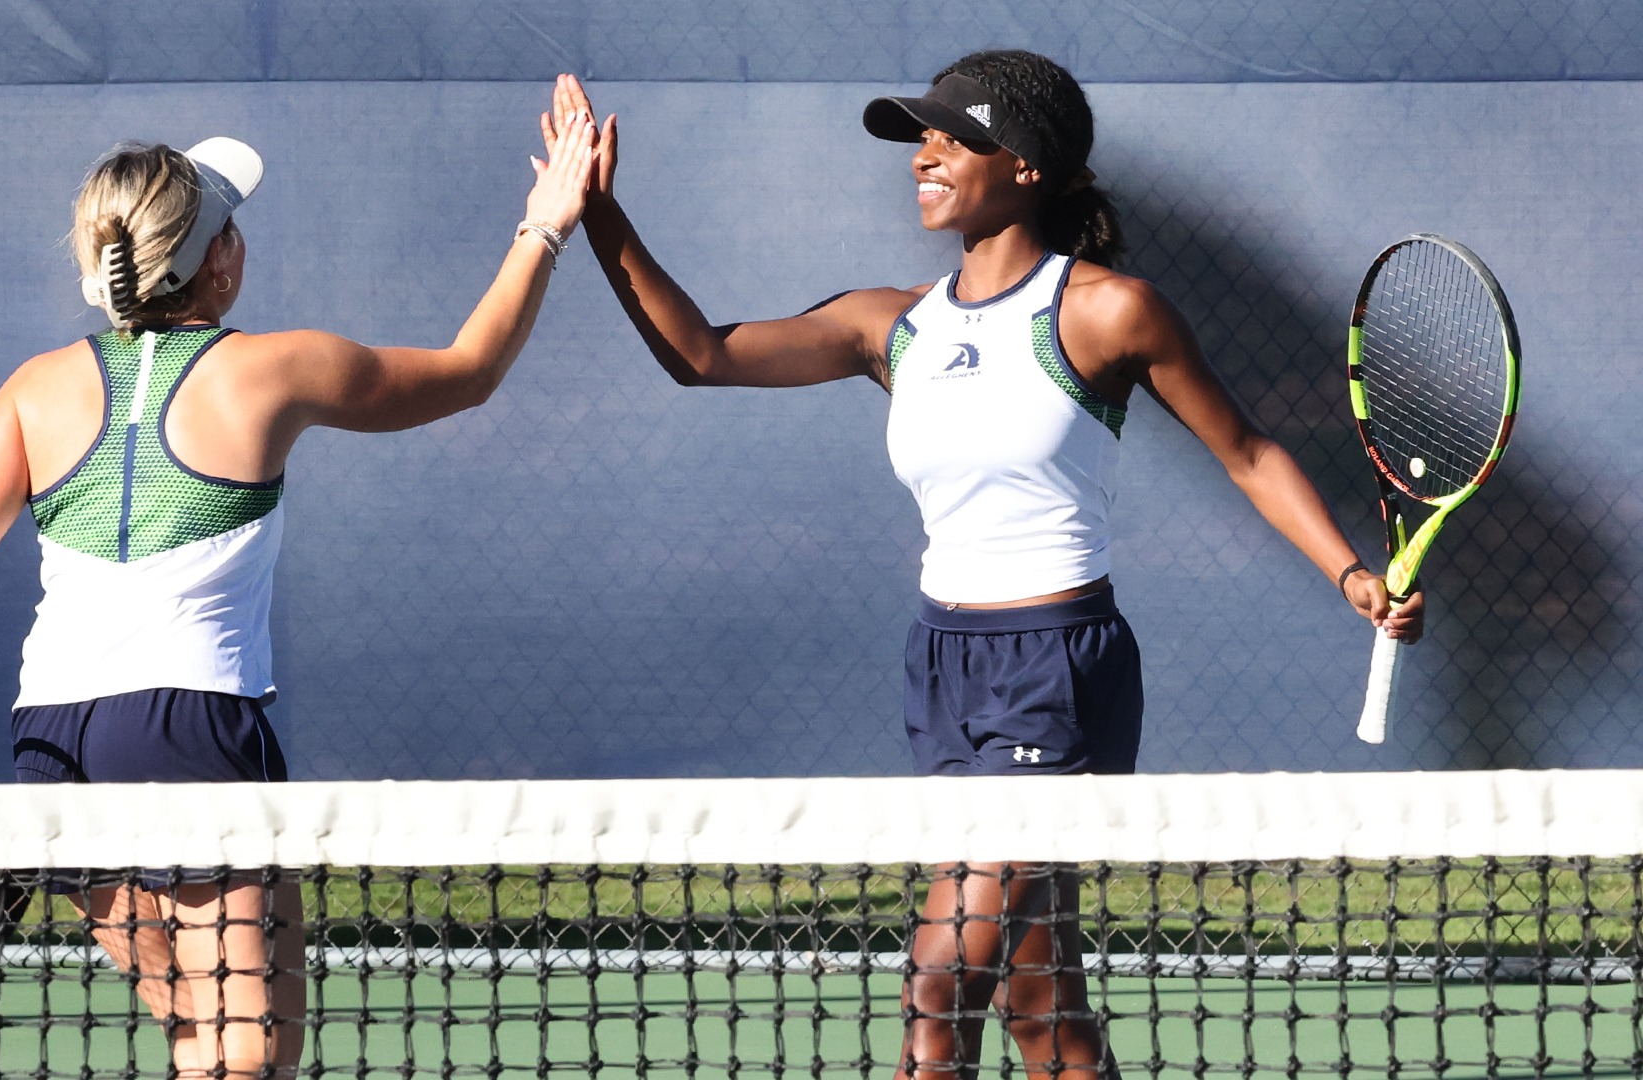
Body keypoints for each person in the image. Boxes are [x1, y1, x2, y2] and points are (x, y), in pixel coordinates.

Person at [539, 54, 1421, 1080]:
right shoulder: (891, 325)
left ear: (1027, 166)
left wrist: (1352, 576)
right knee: (1040, 1009)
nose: (925, 154)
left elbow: (1251, 453)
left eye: (954, 136)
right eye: (923, 136)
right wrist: (598, 214)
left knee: (938, 984)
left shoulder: (1106, 312)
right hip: (942, 671)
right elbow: (699, 351)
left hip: (1059, 673)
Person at [0, 118, 597, 1077]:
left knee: (203, 1032)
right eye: (233, 229)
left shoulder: (34, 388)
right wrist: (544, 227)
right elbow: (468, 372)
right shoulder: (273, 369)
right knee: (243, 1054)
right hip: (190, 728)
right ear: (218, 263)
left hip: (55, 742)